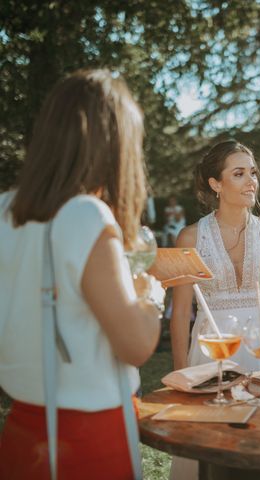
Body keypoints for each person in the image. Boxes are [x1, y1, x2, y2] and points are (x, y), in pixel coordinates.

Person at [0, 69, 164, 479]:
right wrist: (150, 296)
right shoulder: (85, 215)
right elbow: (136, 346)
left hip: (22, 430)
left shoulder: (4, 209)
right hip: (87, 437)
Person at [169, 140, 260, 479]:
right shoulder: (190, 237)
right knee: (214, 446)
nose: (251, 181)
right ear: (216, 184)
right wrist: (180, 377)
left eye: (253, 173)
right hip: (213, 347)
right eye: (238, 174)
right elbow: (181, 313)